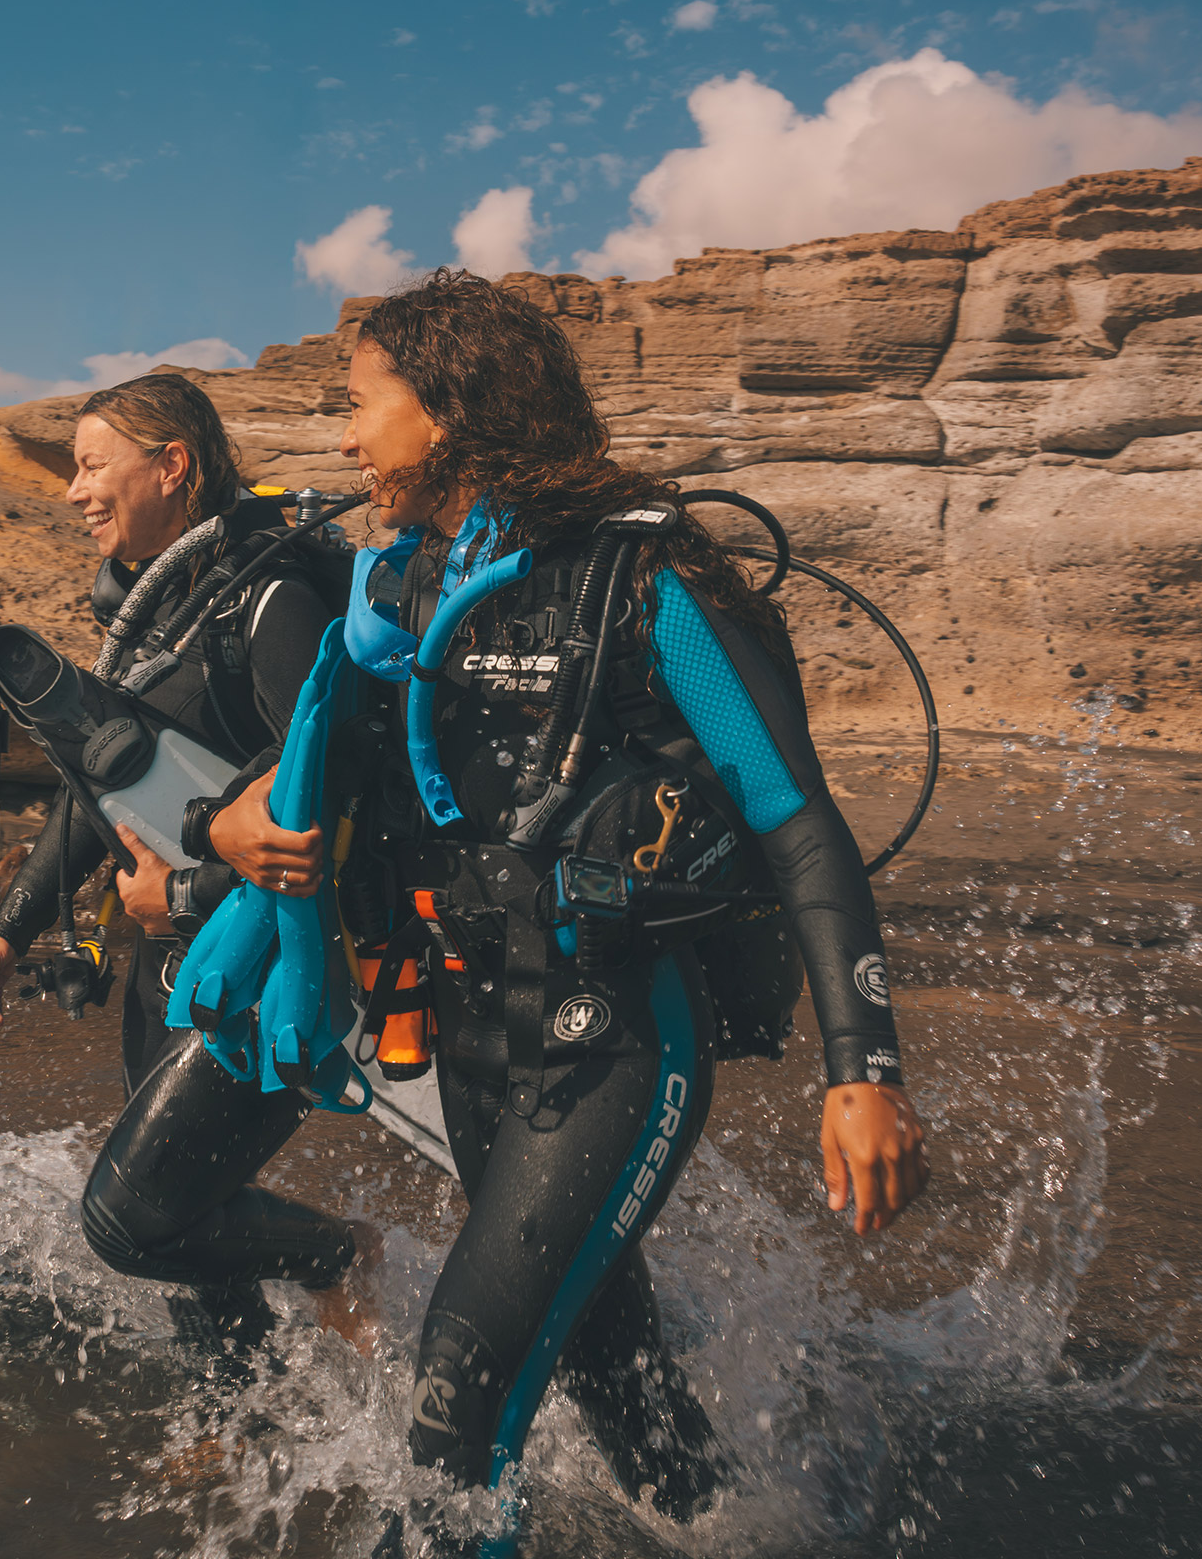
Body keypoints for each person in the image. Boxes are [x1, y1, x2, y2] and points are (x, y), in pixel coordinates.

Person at [190, 273, 930, 1536]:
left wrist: (862, 1066)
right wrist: (227, 823)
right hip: (476, 1034)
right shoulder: (403, 592)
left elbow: (798, 820)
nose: (351, 436)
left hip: (616, 1040)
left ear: (449, 410)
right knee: (611, 1378)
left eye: (365, 404)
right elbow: (313, 767)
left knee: (452, 1414)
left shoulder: (647, 582)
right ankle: (733, 1528)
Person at [0, 372, 364, 1354]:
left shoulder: (270, 594)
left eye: (94, 465)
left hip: (266, 966)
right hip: (166, 962)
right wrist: (15, 925)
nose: (72, 489)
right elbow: (105, 782)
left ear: (172, 465)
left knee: (135, 1216)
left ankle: (344, 1256)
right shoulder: (154, 617)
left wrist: (183, 888)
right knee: (181, 1208)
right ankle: (241, 1411)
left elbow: (328, 800)